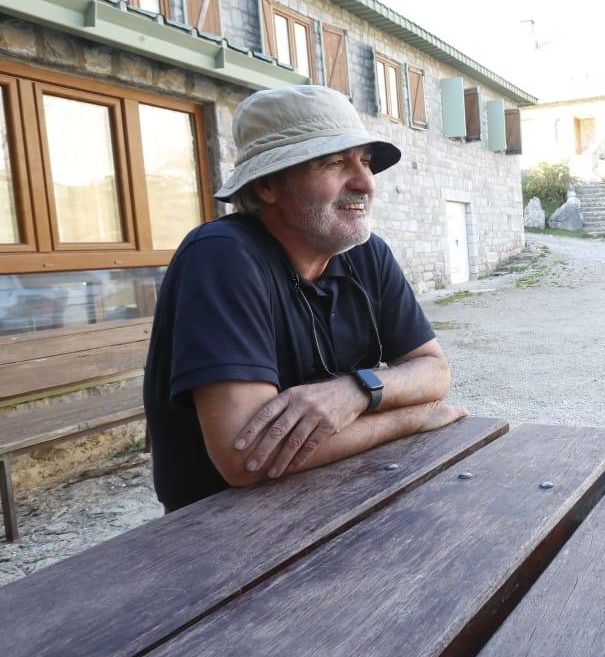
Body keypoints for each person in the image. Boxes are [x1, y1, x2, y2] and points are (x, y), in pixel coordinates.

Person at [144, 85, 466, 513]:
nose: (365, 182)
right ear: (266, 187)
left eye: (365, 161)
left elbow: (433, 372)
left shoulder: (366, 254)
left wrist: (355, 391)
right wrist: (410, 417)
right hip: (226, 528)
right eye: (334, 163)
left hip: (345, 491)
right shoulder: (221, 255)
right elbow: (247, 460)